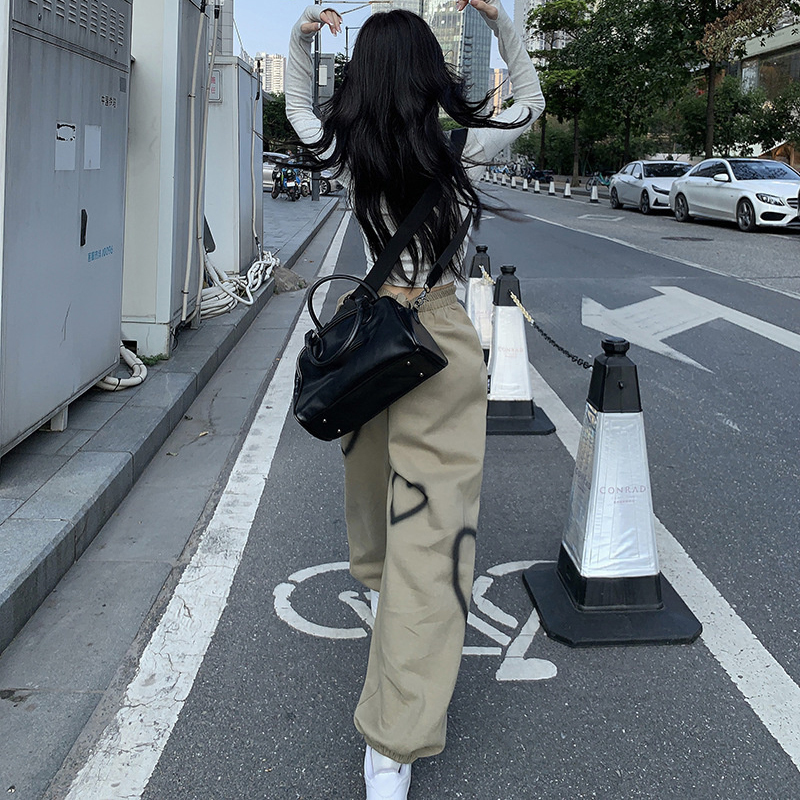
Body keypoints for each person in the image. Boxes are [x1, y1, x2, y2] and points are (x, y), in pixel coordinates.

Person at [286, 2, 544, 797]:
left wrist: (300, 41)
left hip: (366, 344)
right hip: (437, 342)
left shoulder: (350, 157)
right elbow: (530, 102)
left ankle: (384, 605)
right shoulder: (460, 150)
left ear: (363, 79)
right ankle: (391, 746)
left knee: (374, 512)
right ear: (432, 74)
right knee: (430, 545)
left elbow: (298, 110)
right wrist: (503, 24)